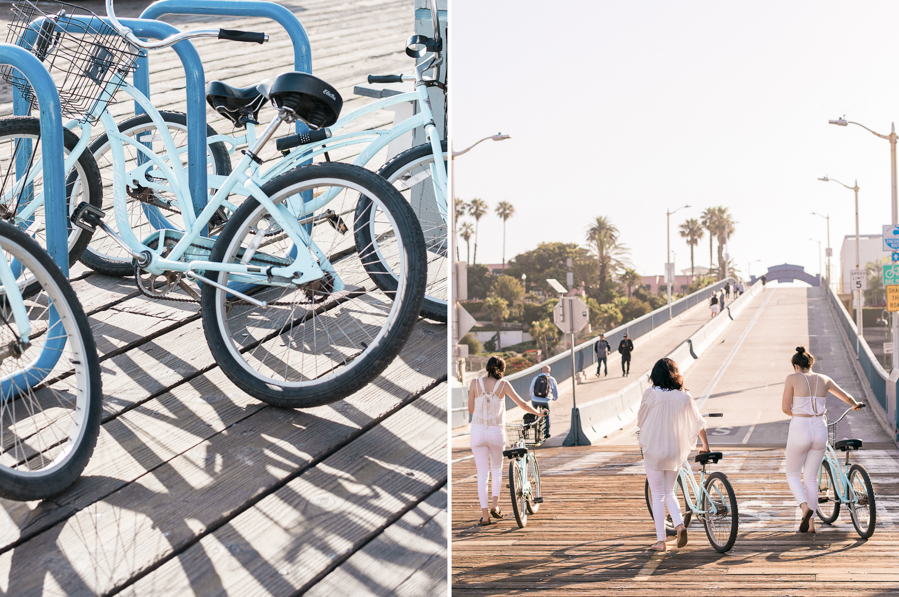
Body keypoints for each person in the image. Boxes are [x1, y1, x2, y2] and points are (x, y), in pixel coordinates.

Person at [781, 346, 864, 534]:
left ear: (795, 365)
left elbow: (785, 409)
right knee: (811, 478)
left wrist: (800, 413)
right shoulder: (824, 379)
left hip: (800, 428)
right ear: (811, 363)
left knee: (793, 475)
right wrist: (855, 405)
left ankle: (804, 509)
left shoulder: (791, 378)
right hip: (820, 429)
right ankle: (811, 525)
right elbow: (847, 396)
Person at [638, 358, 710, 552]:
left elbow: (641, 420)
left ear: (656, 375)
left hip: (654, 449)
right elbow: (698, 423)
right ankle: (679, 525)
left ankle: (661, 541)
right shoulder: (685, 396)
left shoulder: (650, 394)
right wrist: (705, 445)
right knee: (669, 491)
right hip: (675, 451)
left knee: (658, 495)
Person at [469, 356, 546, 526]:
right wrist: (539, 413)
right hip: (496, 432)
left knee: (482, 474)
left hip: (477, 432)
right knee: (496, 470)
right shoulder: (504, 385)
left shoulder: (475, 383)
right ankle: (495, 507)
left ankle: (484, 516)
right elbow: (523, 405)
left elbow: (471, 409)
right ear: (502, 370)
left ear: (487, 367)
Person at [530, 365, 559, 437]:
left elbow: (531, 389)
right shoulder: (552, 379)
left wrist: (532, 397)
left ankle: (533, 423)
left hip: (535, 399)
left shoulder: (536, 378)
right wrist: (554, 398)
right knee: (547, 414)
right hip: (546, 400)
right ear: (549, 372)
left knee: (534, 411)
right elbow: (555, 392)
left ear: (541, 371)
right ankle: (546, 433)